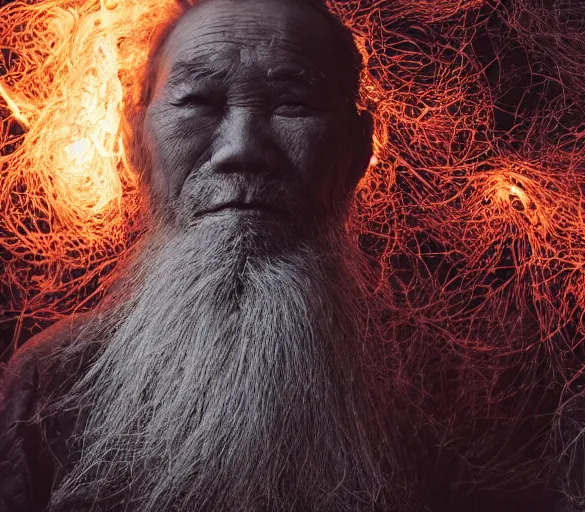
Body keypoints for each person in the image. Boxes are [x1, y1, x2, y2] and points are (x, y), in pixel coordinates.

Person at [0, 1, 397, 510]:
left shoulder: (432, 397)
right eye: (197, 103)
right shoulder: (51, 384)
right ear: (134, 143)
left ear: (358, 149)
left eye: (293, 104)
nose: (242, 148)